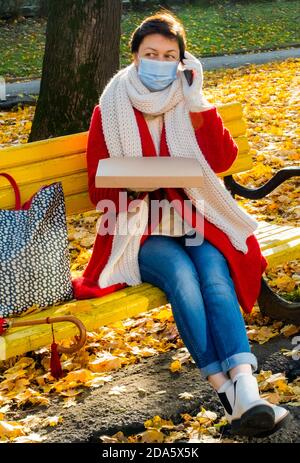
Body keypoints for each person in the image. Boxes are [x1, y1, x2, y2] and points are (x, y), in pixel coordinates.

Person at [72, 11, 290, 437]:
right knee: (182, 277)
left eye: (169, 55)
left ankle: (246, 389)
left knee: (213, 275)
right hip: (138, 227)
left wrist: (198, 104)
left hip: (194, 216)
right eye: (150, 53)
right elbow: (101, 190)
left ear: (182, 62)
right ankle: (224, 388)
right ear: (134, 56)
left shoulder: (190, 104)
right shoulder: (109, 108)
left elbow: (223, 160)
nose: (159, 61)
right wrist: (153, 178)